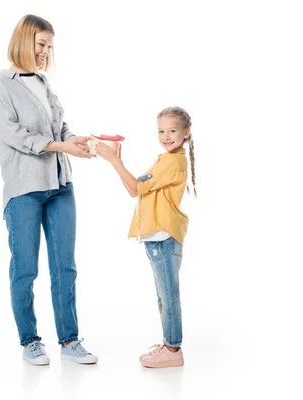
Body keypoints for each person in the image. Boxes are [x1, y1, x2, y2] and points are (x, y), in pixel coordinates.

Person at [0, 14, 98, 366]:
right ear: (23, 41)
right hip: (24, 189)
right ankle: (30, 340)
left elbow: (59, 125)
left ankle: (70, 341)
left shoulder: (44, 84)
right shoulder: (0, 86)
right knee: (25, 269)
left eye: (49, 46)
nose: (46, 52)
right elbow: (14, 135)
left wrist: (72, 140)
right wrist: (57, 145)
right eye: (41, 45)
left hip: (60, 186)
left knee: (66, 267)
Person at [96, 106, 196, 368]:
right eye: (161, 131)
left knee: (168, 295)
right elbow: (134, 190)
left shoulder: (171, 161)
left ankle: (173, 350)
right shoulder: (166, 160)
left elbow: (137, 186)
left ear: (186, 133)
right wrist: (118, 163)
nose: (165, 136)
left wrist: (114, 161)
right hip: (158, 237)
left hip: (163, 237)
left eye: (172, 130)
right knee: (163, 295)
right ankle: (169, 343)